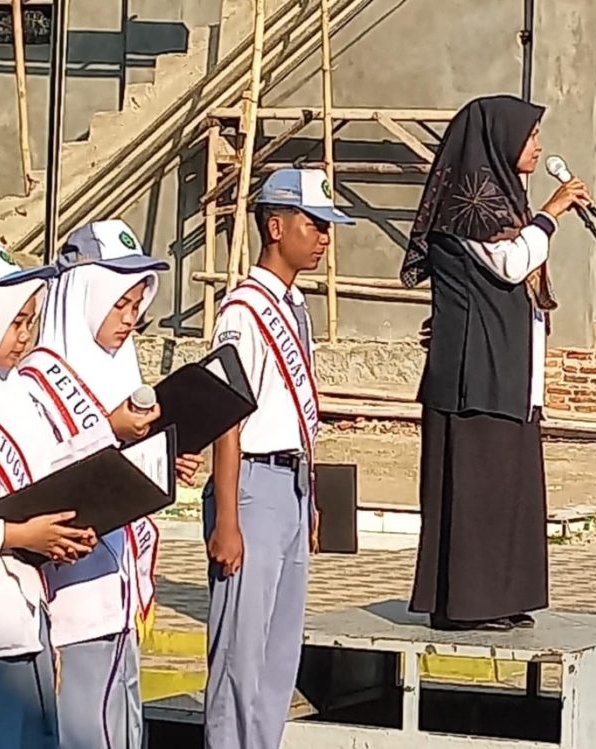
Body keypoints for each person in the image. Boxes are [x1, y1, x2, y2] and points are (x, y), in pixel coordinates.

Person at [400, 95, 591, 631]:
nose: (538, 146)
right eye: (530, 137)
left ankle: (503, 596)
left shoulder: (504, 207)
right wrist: (549, 216)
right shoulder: (470, 206)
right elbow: (509, 263)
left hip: (506, 374)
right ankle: (464, 605)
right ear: (499, 142)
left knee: (509, 490)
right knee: (475, 491)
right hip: (472, 378)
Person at [19, 219, 202, 749]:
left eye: (136, 304)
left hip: (117, 593)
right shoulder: (37, 380)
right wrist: (110, 430)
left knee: (124, 732)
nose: (130, 318)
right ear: (85, 296)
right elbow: (48, 475)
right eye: (120, 303)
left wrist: (164, 463)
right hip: (75, 601)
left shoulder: (118, 371)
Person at [203, 168, 353, 749]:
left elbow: (295, 409)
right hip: (251, 487)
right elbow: (227, 415)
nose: (324, 238)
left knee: (276, 658)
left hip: (288, 484)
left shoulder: (294, 307)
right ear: (275, 225)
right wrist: (229, 519)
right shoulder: (244, 310)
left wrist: (309, 493)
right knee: (240, 656)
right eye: (314, 225)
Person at [0, 249, 98, 749]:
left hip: (25, 615)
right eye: (15, 322)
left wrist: (59, 533)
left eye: (30, 323)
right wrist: (18, 535)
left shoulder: (14, 394)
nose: (24, 339)